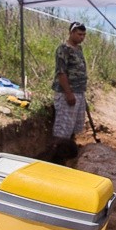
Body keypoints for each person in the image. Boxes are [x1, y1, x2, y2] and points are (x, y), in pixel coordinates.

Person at [49, 21, 88, 164]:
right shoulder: (63, 49)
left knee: (73, 127)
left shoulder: (79, 49)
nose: (82, 37)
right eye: (79, 34)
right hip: (67, 94)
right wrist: (69, 93)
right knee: (62, 129)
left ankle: (68, 155)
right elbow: (61, 72)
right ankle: (56, 159)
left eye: (84, 35)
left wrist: (80, 94)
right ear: (71, 33)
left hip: (79, 93)